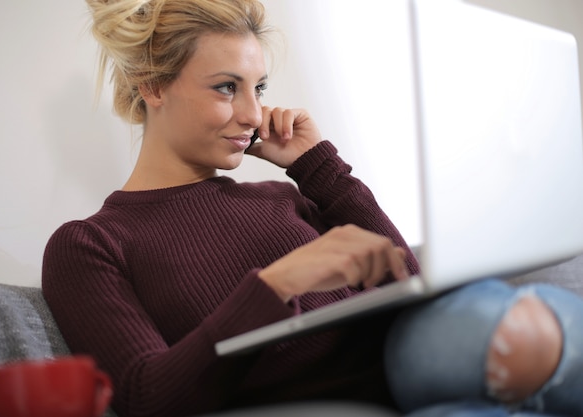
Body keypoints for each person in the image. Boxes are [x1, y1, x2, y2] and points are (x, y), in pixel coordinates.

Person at [41, 1, 583, 417]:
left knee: (509, 324)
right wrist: (274, 285)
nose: (254, 113)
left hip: (414, 357)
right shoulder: (90, 244)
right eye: (227, 88)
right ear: (152, 86)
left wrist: (317, 166)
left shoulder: (283, 196)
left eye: (260, 87)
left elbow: (408, 282)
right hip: (353, 394)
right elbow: (146, 396)